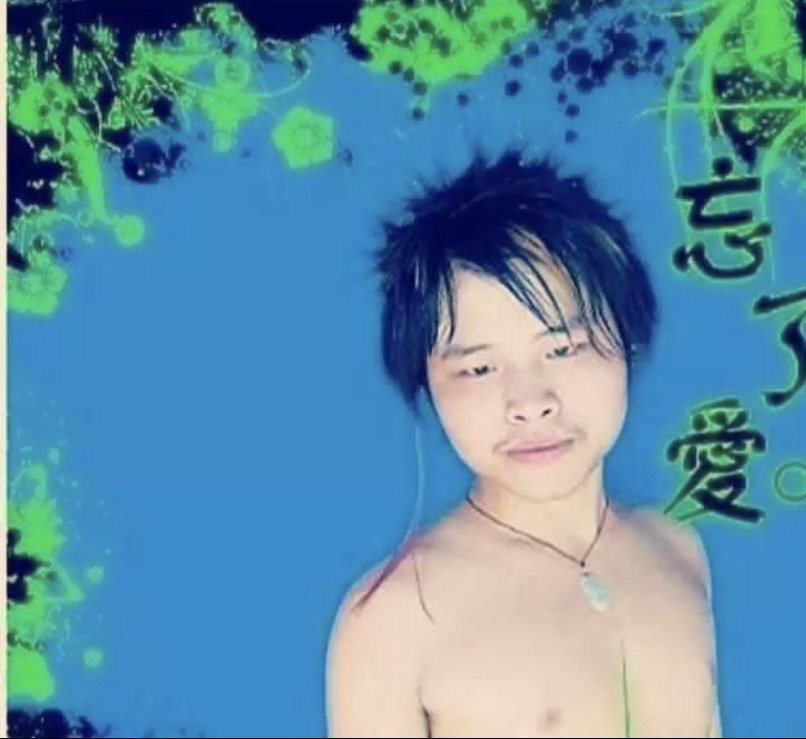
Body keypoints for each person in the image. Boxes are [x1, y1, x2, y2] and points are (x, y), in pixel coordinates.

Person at [325, 147, 722, 738]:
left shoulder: (678, 549)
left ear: (628, 339)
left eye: (562, 349)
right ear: (427, 382)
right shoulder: (392, 617)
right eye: (479, 368)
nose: (530, 402)